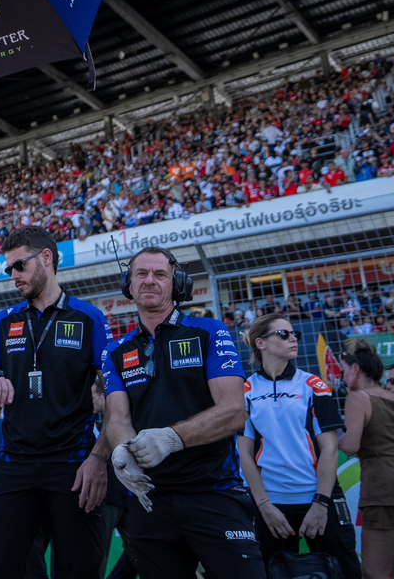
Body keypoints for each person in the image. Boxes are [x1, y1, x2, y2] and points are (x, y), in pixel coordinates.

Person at [100, 246, 261, 579]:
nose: (150, 280)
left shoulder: (209, 331)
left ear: (177, 284)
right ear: (128, 284)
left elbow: (234, 411)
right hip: (149, 498)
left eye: (160, 274)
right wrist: (122, 452)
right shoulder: (115, 351)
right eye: (141, 274)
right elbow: (117, 419)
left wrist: (172, 438)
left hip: (213, 492)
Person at [0, 225, 111, 579]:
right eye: (9, 269)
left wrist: (100, 457)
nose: (13, 275)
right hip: (14, 463)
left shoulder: (88, 317)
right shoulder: (6, 320)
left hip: (72, 464)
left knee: (78, 570)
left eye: (19, 266)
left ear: (46, 258)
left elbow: (115, 395)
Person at [238, 315, 360, 578]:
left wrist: (321, 503)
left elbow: (330, 449)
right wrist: (264, 505)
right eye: (284, 334)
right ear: (261, 343)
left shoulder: (313, 385)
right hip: (271, 503)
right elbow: (244, 454)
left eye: (295, 334)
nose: (293, 338)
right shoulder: (245, 390)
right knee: (268, 573)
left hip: (320, 497)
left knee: (344, 571)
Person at [338, 340, 394, 579]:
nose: (341, 377)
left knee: (375, 572)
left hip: (382, 489)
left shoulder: (358, 398)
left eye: (343, 370)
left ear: (355, 369)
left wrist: (329, 435)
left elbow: (350, 446)